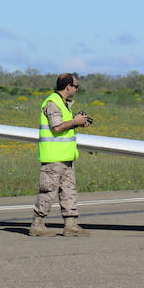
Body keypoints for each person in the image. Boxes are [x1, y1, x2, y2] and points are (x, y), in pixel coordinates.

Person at [30, 73, 93, 237]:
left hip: (66, 158)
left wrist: (77, 123)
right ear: (68, 87)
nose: (77, 89)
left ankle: (71, 224)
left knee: (69, 191)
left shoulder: (64, 104)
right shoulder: (52, 103)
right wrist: (75, 121)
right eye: (76, 86)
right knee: (48, 192)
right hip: (53, 158)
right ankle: (37, 224)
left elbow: (64, 127)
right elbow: (57, 127)